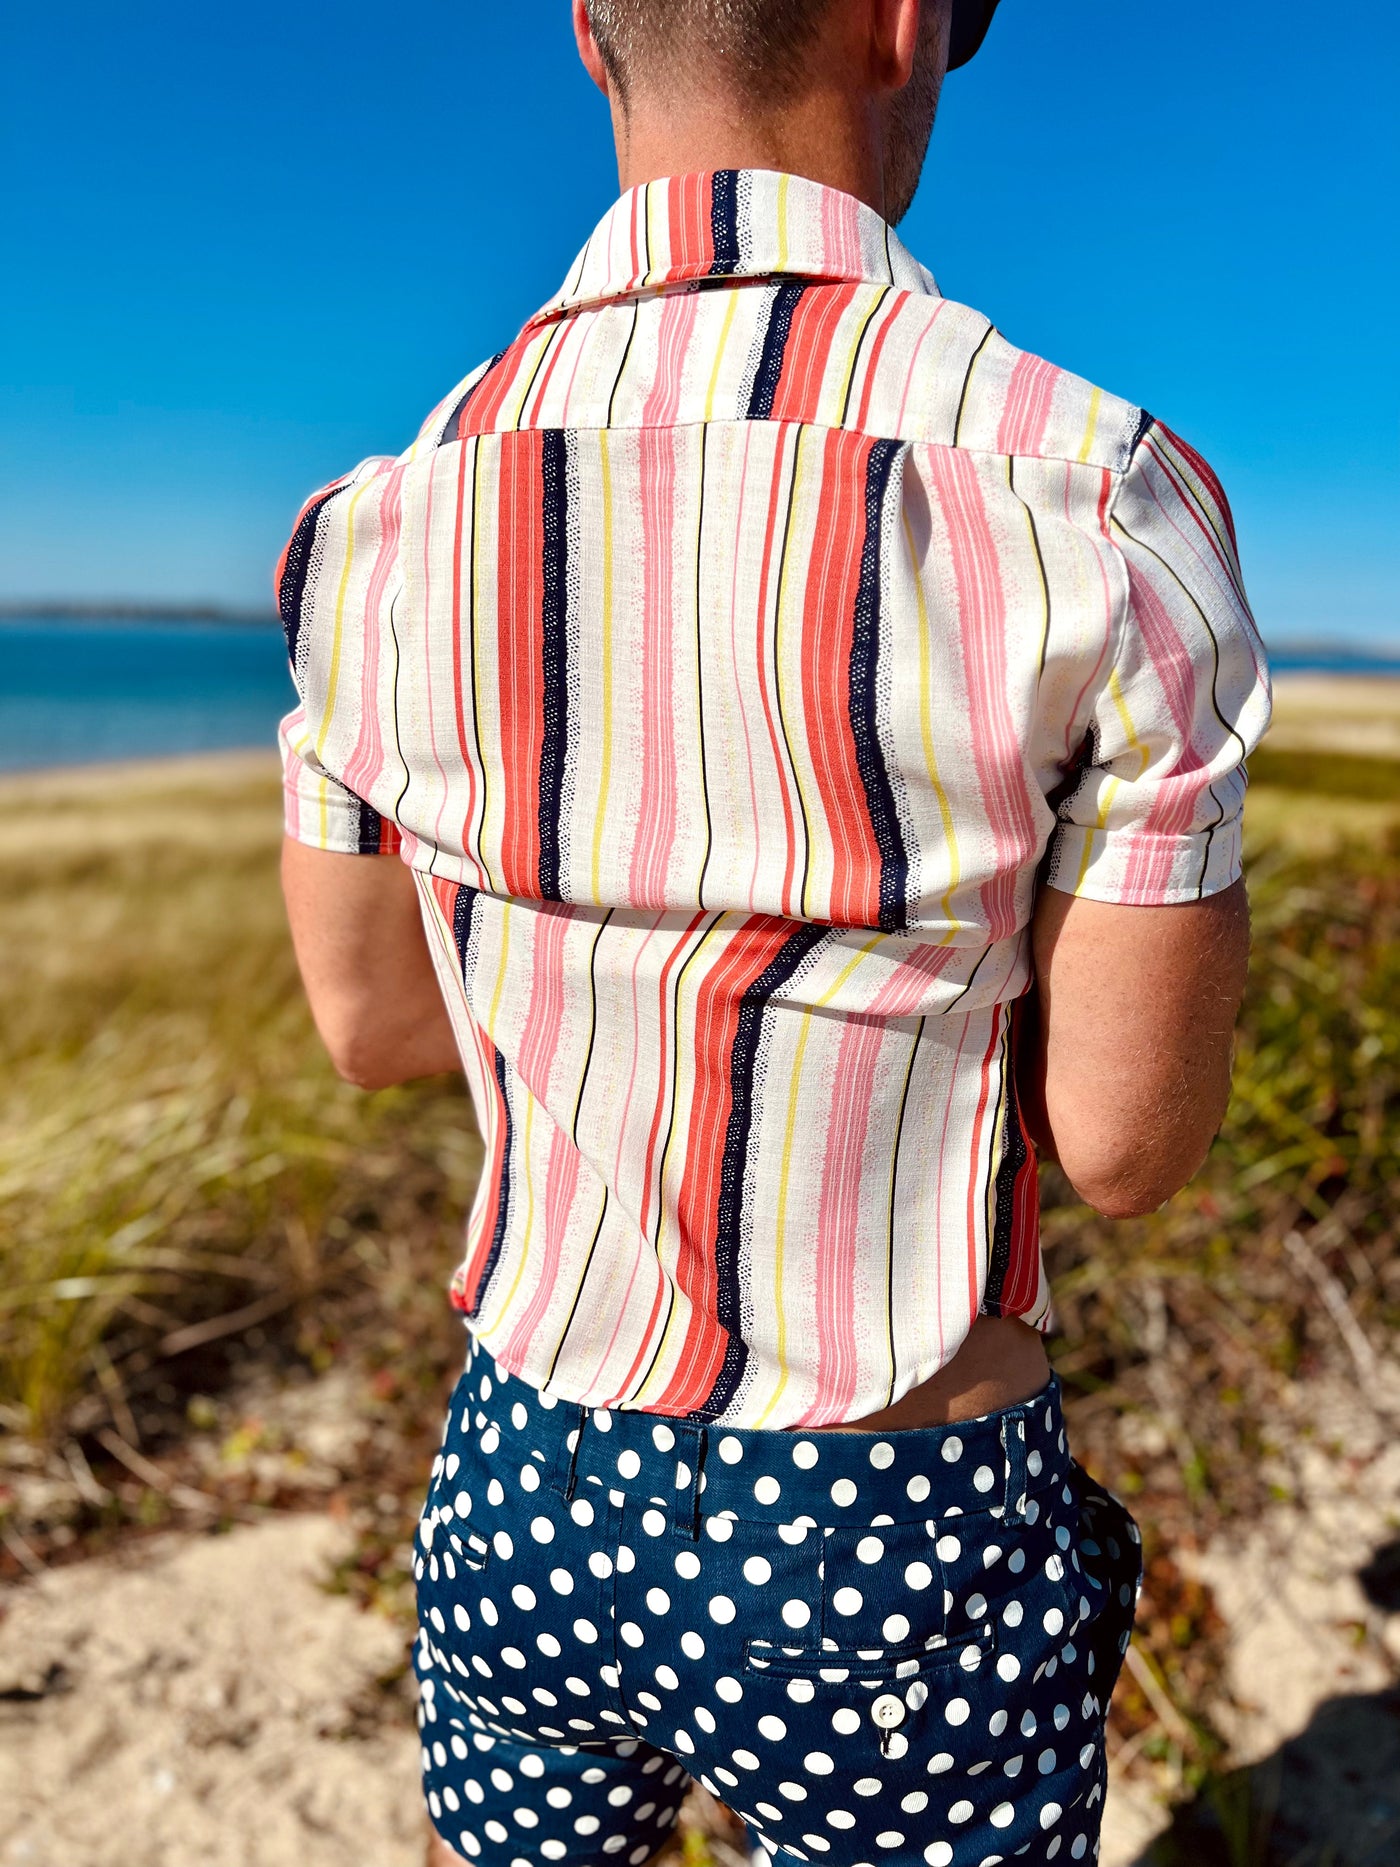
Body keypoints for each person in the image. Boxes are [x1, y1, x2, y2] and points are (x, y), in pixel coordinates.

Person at [276, 1, 1271, 1861]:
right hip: (887, 1502)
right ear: (903, 26)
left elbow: (375, 1027)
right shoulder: (1097, 495)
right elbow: (1134, 1144)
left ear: (591, 34)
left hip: (526, 1469)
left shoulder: (374, 525)